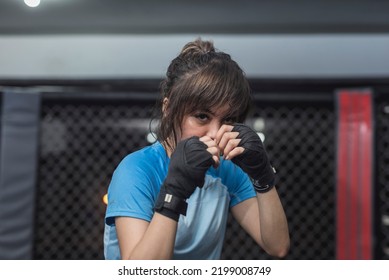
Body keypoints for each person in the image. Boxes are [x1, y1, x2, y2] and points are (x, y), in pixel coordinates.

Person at [103, 38, 290, 260]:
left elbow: (277, 246)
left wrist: (263, 175)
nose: (215, 132)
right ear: (168, 108)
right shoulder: (136, 171)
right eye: (202, 116)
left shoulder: (225, 169)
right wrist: (174, 191)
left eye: (228, 119)